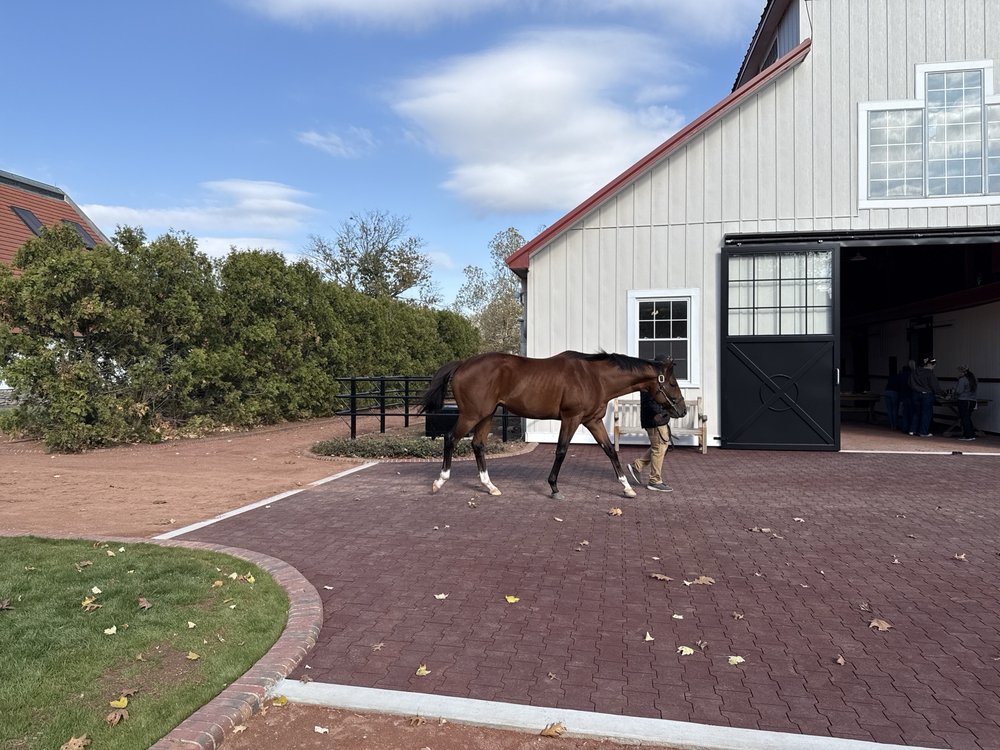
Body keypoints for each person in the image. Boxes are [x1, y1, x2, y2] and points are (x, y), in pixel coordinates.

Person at [626, 388, 674, 492]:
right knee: (659, 448)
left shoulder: (653, 380)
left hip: (656, 419)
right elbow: (649, 402)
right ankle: (655, 481)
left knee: (660, 446)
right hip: (655, 421)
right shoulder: (650, 381)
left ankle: (637, 466)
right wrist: (660, 415)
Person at [908, 357, 944, 437]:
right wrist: (942, 394)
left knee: (916, 412)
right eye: (933, 365)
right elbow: (935, 386)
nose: (934, 367)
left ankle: (912, 430)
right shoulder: (930, 373)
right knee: (926, 413)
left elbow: (909, 383)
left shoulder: (914, 372)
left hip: (915, 394)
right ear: (929, 364)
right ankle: (923, 432)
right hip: (926, 395)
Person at [955, 365, 978, 441]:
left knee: (964, 418)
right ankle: (971, 434)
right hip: (972, 401)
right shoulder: (974, 379)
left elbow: (959, 391)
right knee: (968, 417)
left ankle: (967, 435)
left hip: (964, 400)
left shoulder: (962, 380)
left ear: (963, 372)